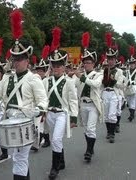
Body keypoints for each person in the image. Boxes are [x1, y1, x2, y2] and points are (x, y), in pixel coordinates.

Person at [0, 10, 48, 180]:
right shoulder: (7, 78)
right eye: (14, 58)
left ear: (27, 60)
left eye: (20, 58)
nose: (16, 62)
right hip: (9, 121)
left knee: (19, 158)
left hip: (26, 122)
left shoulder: (34, 78)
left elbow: (43, 100)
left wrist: (38, 110)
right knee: (19, 158)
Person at [44, 28, 78, 180]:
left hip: (62, 114)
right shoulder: (46, 81)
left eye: (59, 65)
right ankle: (61, 161)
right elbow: (43, 98)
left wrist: (74, 118)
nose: (56, 68)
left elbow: (73, 100)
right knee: (53, 139)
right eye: (54, 65)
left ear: (64, 66)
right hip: (50, 113)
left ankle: (54, 167)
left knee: (57, 139)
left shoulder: (69, 82)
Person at [75, 33, 103, 162]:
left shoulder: (98, 74)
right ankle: (90, 148)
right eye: (85, 62)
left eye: (89, 62)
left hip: (93, 105)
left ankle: (88, 151)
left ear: (93, 63)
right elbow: (74, 87)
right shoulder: (80, 75)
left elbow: (96, 84)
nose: (87, 64)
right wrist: (72, 76)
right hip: (83, 104)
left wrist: (81, 77)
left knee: (91, 128)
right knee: (86, 128)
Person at [31, 45, 51, 152]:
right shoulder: (34, 81)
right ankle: (38, 142)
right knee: (39, 125)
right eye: (37, 71)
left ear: (45, 71)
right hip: (37, 105)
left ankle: (43, 141)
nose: (39, 73)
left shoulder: (47, 81)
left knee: (44, 125)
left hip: (46, 105)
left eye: (41, 71)